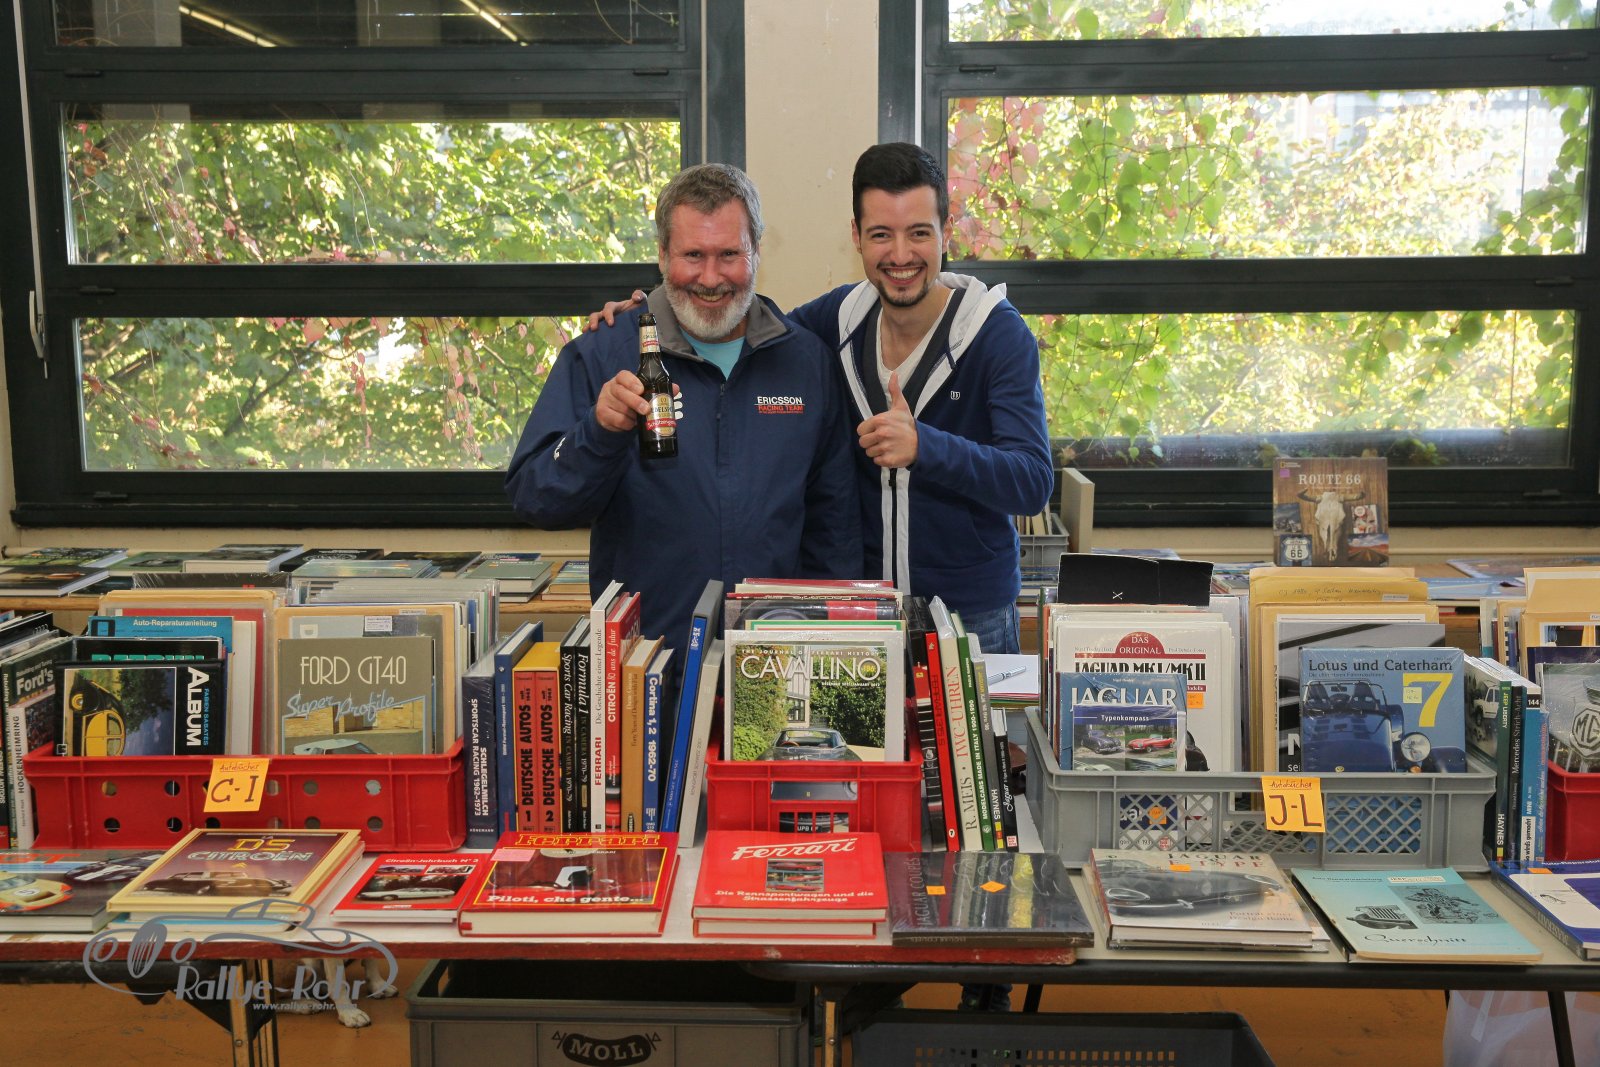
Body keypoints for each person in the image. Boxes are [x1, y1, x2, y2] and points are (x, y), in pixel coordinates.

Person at [590, 144, 1053, 656]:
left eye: (920, 233)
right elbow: (740, 322)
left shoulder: (996, 334)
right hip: (864, 611)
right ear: (856, 236)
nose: (901, 255)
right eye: (881, 234)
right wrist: (649, 311)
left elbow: (1032, 482)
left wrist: (927, 446)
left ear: (946, 232)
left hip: (971, 616)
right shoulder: (836, 319)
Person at [505, 163, 863, 644]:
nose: (710, 278)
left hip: (773, 655)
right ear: (661, 254)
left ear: (756, 250)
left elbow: (835, 529)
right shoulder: (603, 354)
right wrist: (599, 432)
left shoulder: (805, 361)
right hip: (648, 660)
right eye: (692, 255)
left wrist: (830, 640)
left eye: (729, 254)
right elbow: (535, 498)